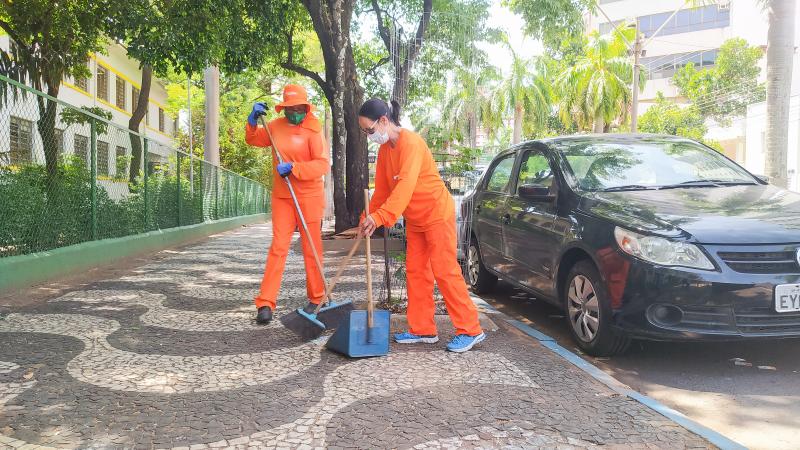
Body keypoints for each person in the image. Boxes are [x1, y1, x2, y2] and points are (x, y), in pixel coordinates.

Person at [358, 98, 485, 353]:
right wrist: (367, 217)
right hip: (416, 220)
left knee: (445, 270)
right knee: (416, 272)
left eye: (369, 130)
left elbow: (404, 187)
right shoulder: (385, 152)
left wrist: (382, 217)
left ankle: (471, 329)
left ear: (383, 121)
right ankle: (423, 329)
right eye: (365, 132)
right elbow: (382, 190)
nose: (369, 136)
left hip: (436, 214)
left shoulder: (412, 144)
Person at [245, 84, 329, 324]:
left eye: (299, 108)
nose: (295, 112)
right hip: (283, 197)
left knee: (311, 248)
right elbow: (253, 139)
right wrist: (252, 121)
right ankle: (265, 303)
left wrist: (294, 168)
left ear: (306, 107)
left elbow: (322, 165)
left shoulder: (314, 129)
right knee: (279, 247)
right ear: (283, 108)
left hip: (309, 197)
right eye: (290, 108)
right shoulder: (274, 127)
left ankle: (317, 297)